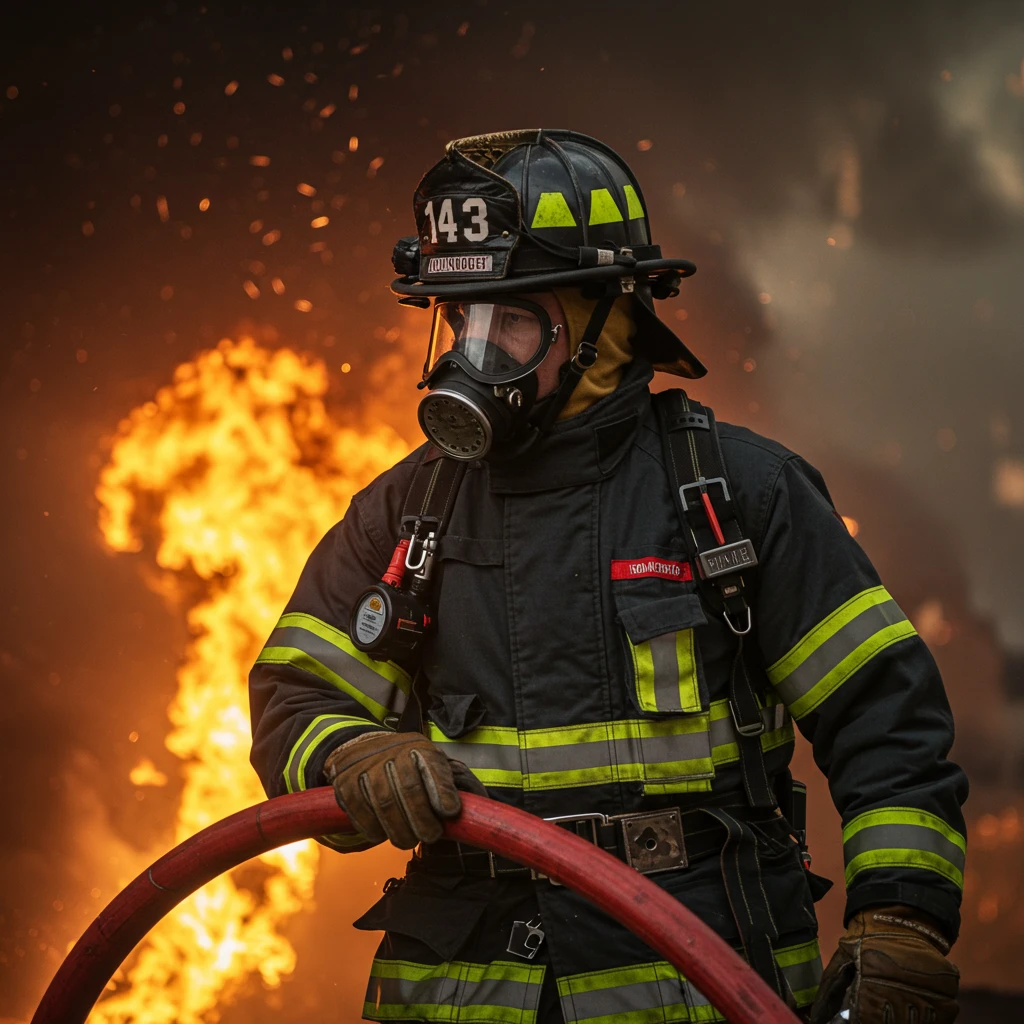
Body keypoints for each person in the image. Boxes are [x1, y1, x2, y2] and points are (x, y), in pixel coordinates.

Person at [249, 129, 966, 1024]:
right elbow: (293, 697)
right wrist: (350, 754)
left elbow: (886, 723)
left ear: (605, 322)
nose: (473, 357)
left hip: (696, 981)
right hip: (465, 993)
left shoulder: (740, 495)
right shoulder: (405, 515)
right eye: (458, 320)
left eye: (511, 322)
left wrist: (900, 919)